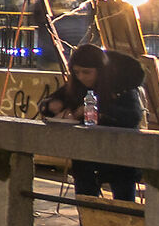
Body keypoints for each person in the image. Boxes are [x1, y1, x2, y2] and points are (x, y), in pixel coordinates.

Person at [40, 41, 145, 203]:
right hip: (86, 156)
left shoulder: (122, 86)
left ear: (100, 71)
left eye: (86, 72)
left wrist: (98, 110)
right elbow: (47, 103)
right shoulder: (76, 85)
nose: (81, 77)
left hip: (120, 156)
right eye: (77, 72)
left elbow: (133, 117)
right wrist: (51, 106)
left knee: (124, 209)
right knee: (86, 206)